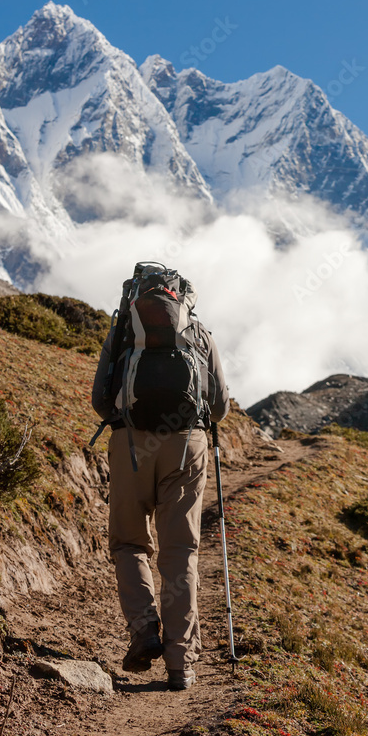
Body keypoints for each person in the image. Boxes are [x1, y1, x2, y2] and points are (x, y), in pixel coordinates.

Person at [91, 266, 230, 691]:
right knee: (180, 551)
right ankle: (181, 664)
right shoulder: (199, 334)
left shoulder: (123, 332)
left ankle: (145, 629)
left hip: (132, 445)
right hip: (186, 446)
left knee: (130, 543)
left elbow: (101, 402)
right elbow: (220, 406)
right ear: (182, 296)